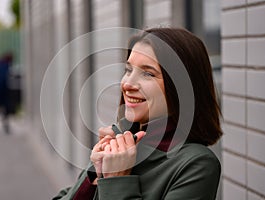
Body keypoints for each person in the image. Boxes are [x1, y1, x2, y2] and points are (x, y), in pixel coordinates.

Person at [53, 27, 223, 200]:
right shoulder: (120, 146)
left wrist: (117, 180)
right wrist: (94, 174)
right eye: (128, 70)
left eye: (148, 73)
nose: (127, 84)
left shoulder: (196, 165)